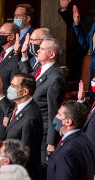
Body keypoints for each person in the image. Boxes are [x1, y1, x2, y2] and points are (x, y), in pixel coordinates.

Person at [0, 72, 43, 179]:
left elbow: (25, 155)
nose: (9, 88)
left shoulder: (31, 118)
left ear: (25, 91)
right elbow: (11, 112)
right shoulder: (21, 106)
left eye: (13, 86)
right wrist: (0, 94)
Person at [33, 38, 66, 171]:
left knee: (43, 169)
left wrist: (51, 141)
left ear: (52, 54)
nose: (38, 51)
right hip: (36, 127)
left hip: (45, 132)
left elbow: (54, 111)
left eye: (42, 49)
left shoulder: (55, 77)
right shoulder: (40, 69)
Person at [47, 100, 95, 180]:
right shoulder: (85, 139)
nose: (56, 116)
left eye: (59, 114)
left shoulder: (67, 152)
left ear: (68, 121)